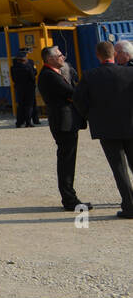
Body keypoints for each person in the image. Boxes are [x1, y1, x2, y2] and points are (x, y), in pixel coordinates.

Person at [74, 41, 133, 218]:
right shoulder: (130, 72)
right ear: (115, 54)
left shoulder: (90, 76)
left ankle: (129, 207)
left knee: (119, 168)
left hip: (106, 128)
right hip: (131, 124)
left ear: (97, 55)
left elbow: (78, 99)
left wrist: (90, 115)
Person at [36, 46, 91, 211]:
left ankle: (70, 197)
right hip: (63, 124)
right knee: (66, 161)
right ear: (50, 59)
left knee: (68, 160)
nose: (63, 58)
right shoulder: (49, 76)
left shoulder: (57, 73)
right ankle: (70, 200)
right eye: (60, 55)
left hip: (67, 122)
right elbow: (72, 92)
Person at [10, 49, 37, 128]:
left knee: (21, 105)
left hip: (19, 88)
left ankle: (19, 122)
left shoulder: (13, 68)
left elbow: (13, 78)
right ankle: (28, 122)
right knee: (29, 105)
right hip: (29, 88)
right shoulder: (28, 67)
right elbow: (32, 76)